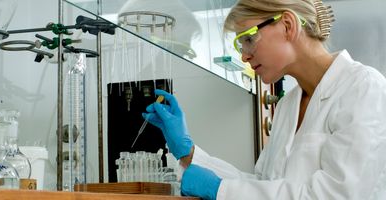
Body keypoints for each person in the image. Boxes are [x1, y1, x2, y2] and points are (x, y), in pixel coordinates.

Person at [142, 0, 386, 199]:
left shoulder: (362, 89)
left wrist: (219, 190)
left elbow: (340, 196)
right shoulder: (287, 105)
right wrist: (189, 153)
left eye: (248, 39)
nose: (244, 56)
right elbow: (263, 185)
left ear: (288, 25)